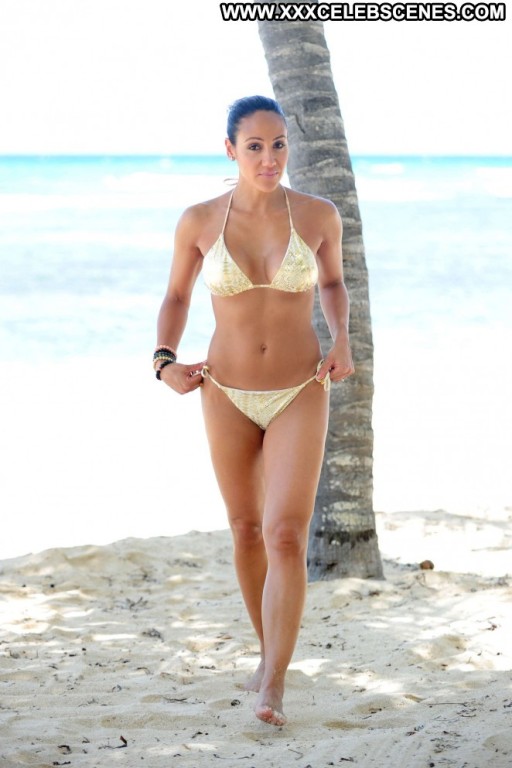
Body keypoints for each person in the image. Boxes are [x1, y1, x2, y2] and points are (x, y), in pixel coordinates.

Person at [155, 95, 354, 726]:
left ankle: (273, 682)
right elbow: (177, 295)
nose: (270, 159)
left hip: (301, 387)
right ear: (231, 150)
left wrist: (342, 338)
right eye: (255, 147)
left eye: (279, 145)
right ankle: (268, 650)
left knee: (285, 533)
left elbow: (332, 283)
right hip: (225, 391)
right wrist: (163, 360)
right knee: (245, 529)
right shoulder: (199, 221)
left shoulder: (318, 214)